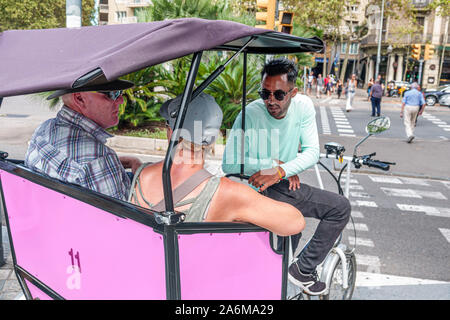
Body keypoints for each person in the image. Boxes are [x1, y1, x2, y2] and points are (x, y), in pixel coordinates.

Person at [222, 58, 351, 295]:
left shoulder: (303, 107)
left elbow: (312, 151)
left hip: (281, 182)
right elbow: (229, 163)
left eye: (279, 95)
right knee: (340, 208)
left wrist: (284, 170)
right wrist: (275, 167)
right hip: (254, 188)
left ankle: (291, 272)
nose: (271, 100)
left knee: (295, 228)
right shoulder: (249, 113)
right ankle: (302, 270)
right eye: (265, 93)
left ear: (293, 92)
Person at [128, 92, 305, 237]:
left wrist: (131, 161)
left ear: (171, 132)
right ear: (211, 140)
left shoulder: (141, 174)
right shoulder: (226, 193)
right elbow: (295, 222)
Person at [25, 80, 142, 200]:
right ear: (80, 99)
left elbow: (74, 167)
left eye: (119, 92)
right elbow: (122, 217)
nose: (121, 100)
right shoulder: (99, 158)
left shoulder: (44, 129)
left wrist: (128, 161)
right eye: (112, 93)